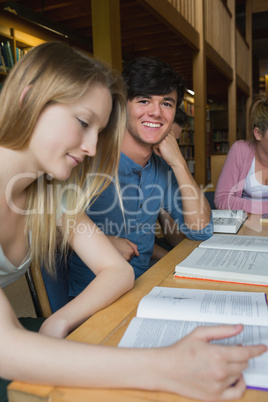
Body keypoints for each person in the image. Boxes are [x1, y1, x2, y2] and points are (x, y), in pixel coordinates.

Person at [0, 43, 266, 402]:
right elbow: (9, 348)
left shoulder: (49, 189)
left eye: (98, 128)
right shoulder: (63, 179)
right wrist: (164, 367)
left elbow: (131, 265)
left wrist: (56, 323)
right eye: (82, 122)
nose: (92, 148)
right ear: (28, 100)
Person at [68, 57, 213, 295]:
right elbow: (49, 222)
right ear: (123, 105)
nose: (156, 112)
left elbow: (201, 229)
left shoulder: (163, 168)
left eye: (167, 103)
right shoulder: (89, 157)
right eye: (144, 100)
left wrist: (179, 163)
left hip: (146, 287)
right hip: (92, 296)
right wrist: (102, 241)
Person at [215, 95, 268, 214]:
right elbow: (221, 200)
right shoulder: (240, 150)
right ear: (258, 133)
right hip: (246, 228)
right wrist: (264, 208)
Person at [152, 108, 189, 260]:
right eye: (164, 139)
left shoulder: (165, 169)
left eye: (173, 142)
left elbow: (173, 233)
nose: (166, 149)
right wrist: (173, 259)